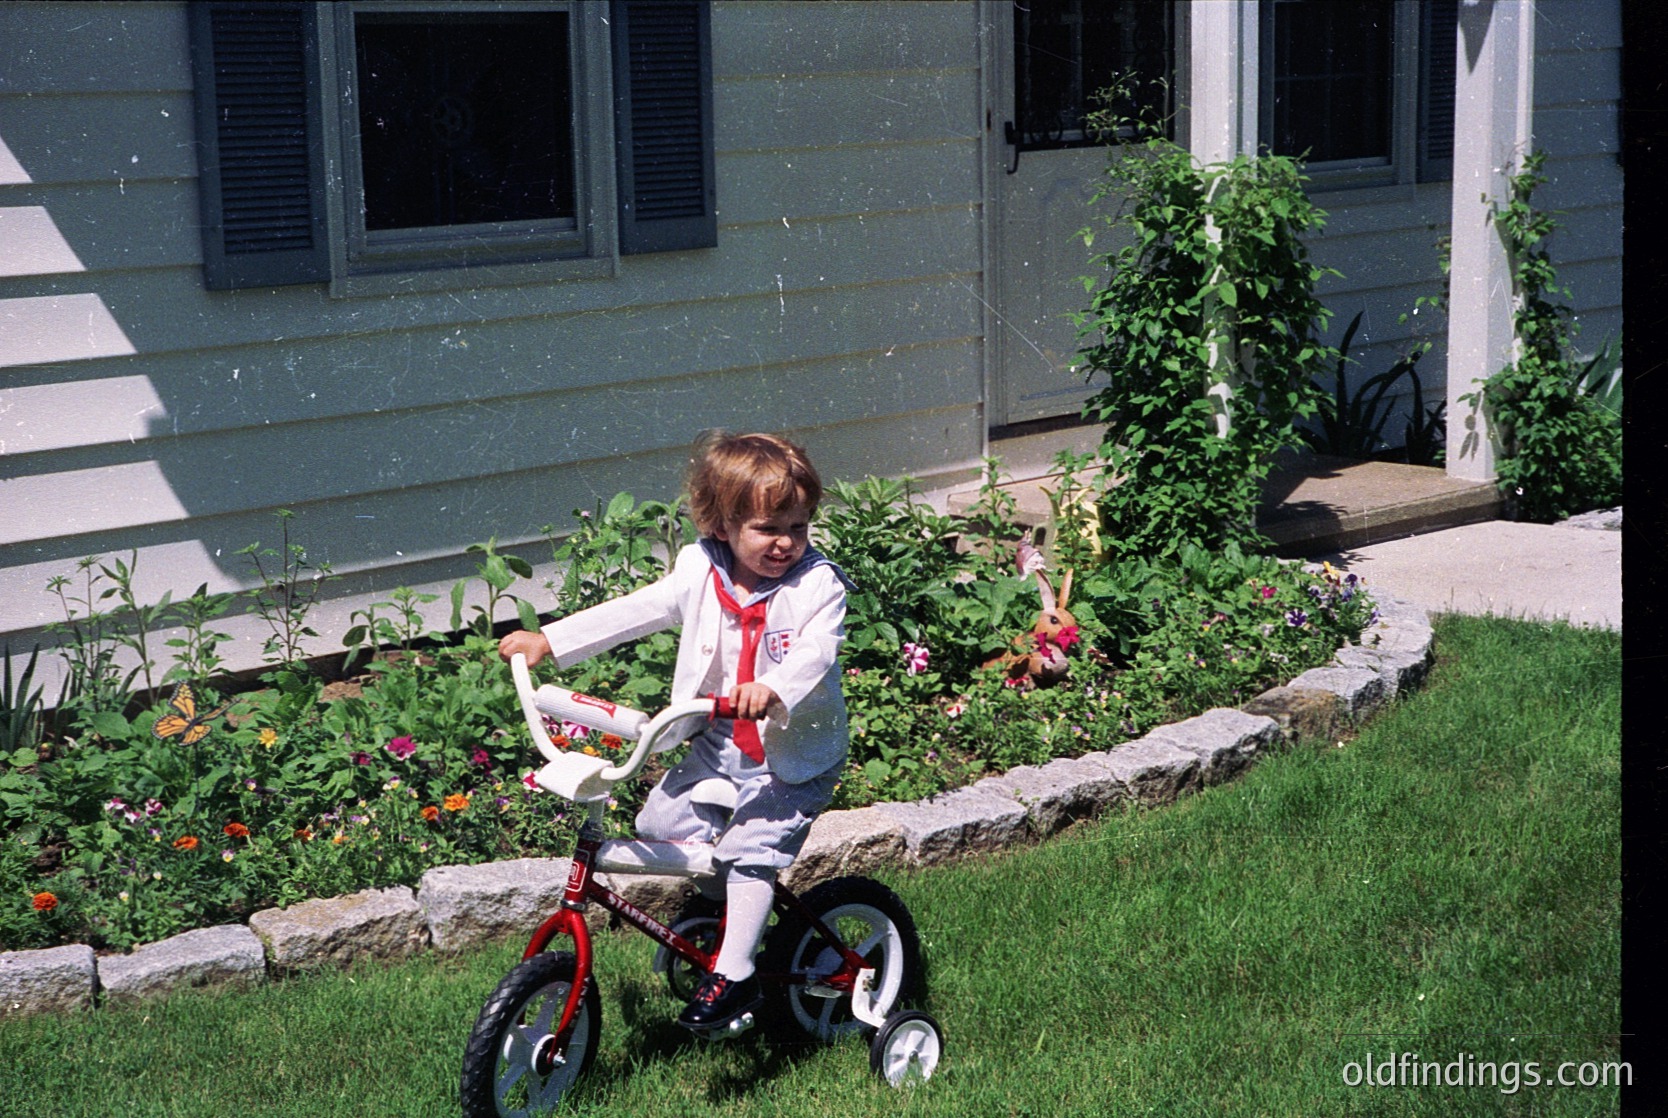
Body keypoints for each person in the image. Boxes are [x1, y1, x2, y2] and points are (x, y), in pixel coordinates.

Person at [498, 431, 852, 1034]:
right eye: (769, 528)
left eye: (799, 525)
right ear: (722, 524)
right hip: (718, 745)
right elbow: (637, 610)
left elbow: (815, 653)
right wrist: (549, 642)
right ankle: (726, 913)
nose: (786, 542)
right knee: (658, 826)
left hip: (790, 756)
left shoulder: (818, 585)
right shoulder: (699, 569)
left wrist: (774, 689)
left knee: (749, 853)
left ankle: (736, 971)